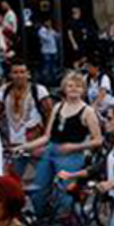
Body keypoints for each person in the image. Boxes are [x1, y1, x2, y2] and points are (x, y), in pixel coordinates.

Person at [17, 71, 103, 216]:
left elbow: (98, 140)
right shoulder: (58, 107)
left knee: (65, 196)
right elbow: (46, 136)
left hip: (71, 156)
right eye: (70, 86)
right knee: (38, 189)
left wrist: (75, 147)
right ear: (64, 88)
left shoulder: (87, 111)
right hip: (51, 150)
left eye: (78, 86)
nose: (74, 89)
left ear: (83, 89)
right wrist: (24, 146)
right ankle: (42, 220)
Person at [0, 60, 53, 175]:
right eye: (15, 72)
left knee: (34, 180)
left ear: (28, 74)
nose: (19, 75)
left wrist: (46, 139)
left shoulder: (39, 91)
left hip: (33, 145)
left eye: (22, 72)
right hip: (11, 145)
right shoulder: (3, 90)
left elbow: (50, 115)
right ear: (10, 75)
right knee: (14, 179)